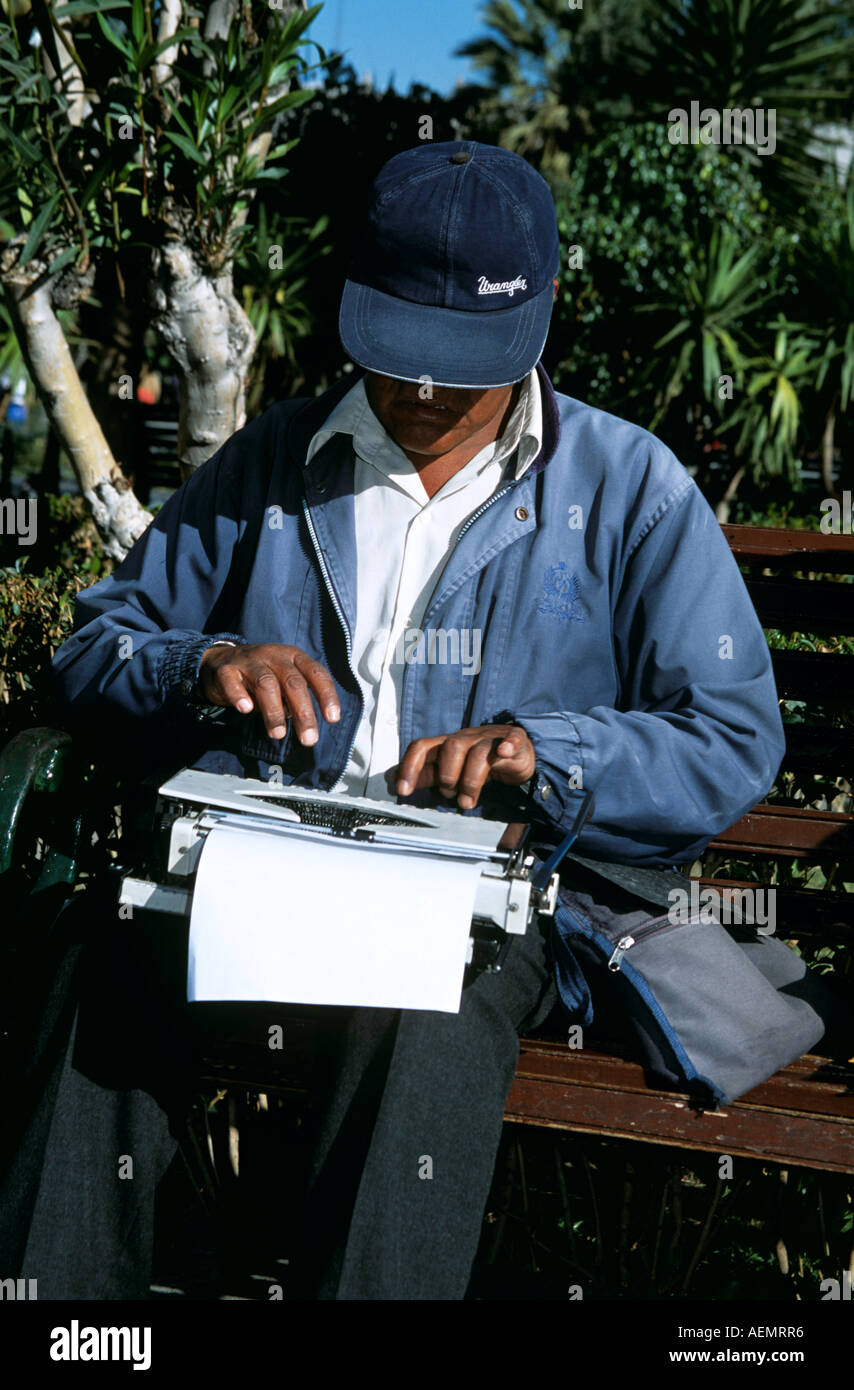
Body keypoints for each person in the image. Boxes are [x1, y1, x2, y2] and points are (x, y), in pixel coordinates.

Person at [0, 140, 785, 1300]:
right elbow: (96, 642)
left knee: (427, 1001)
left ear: (540, 316)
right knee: (105, 960)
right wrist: (201, 663)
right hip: (261, 880)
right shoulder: (273, 462)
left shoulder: (631, 488)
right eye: (397, 355)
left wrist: (546, 751)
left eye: (457, 365)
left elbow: (728, 731)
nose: (419, 394)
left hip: (488, 911)